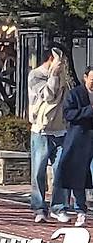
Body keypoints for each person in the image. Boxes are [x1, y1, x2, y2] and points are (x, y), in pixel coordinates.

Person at [26, 48, 72, 223]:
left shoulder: (63, 77)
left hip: (61, 129)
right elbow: (48, 95)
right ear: (51, 59)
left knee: (60, 169)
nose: (62, 65)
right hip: (41, 130)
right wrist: (53, 75)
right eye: (60, 61)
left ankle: (59, 207)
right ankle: (38, 207)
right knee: (38, 170)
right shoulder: (35, 75)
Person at [58, 66, 93, 227]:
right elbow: (69, 114)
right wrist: (89, 110)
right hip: (79, 140)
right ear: (85, 77)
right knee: (77, 176)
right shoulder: (75, 94)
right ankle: (80, 210)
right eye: (92, 80)